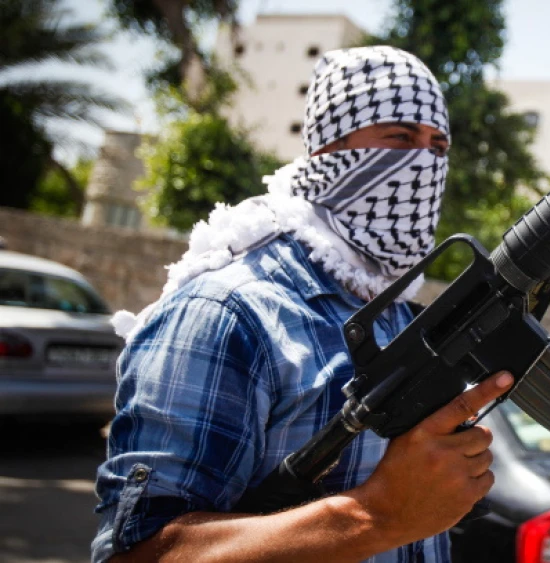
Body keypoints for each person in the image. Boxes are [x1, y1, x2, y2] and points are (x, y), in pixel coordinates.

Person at [92, 46, 510, 562]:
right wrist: (373, 517)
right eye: (400, 138)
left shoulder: (397, 309)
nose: (424, 163)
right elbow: (142, 553)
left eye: (438, 146)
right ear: (327, 151)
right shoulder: (228, 311)